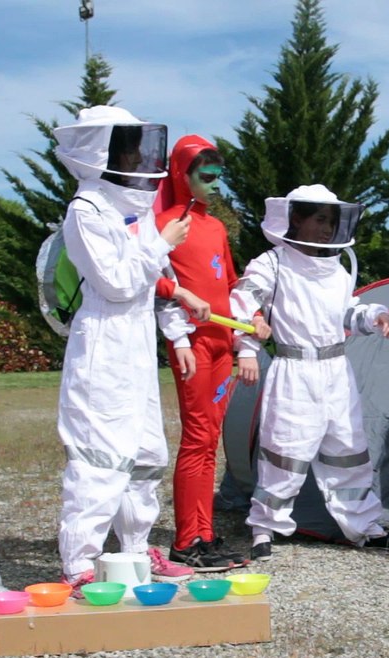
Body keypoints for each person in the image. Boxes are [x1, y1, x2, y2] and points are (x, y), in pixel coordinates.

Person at [52, 105, 199, 595]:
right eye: (128, 149)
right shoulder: (86, 210)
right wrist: (161, 243)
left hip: (135, 341)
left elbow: (151, 281)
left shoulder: (132, 208)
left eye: (139, 149)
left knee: (145, 452)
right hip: (103, 342)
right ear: (101, 152)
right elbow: (115, 283)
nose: (138, 159)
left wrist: (176, 328)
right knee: (100, 455)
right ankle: (80, 563)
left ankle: (136, 551)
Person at [231, 184, 389, 561]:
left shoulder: (337, 269)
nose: (327, 228)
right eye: (319, 219)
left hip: (336, 371)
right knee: (285, 451)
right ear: (295, 219)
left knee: (348, 451)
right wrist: (246, 349)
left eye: (331, 220)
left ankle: (366, 527)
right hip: (293, 370)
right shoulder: (272, 263)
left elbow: (347, 312)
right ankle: (264, 528)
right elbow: (242, 304)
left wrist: (375, 316)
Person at [152, 135, 247, 571]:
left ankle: (204, 535)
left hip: (223, 342)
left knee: (211, 439)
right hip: (192, 343)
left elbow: (229, 283)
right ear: (181, 174)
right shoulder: (164, 224)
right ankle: (186, 540)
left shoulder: (216, 227)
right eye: (206, 176)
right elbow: (148, 277)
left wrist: (251, 320)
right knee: (196, 437)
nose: (215, 184)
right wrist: (178, 333)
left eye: (218, 176)